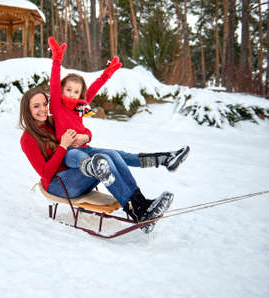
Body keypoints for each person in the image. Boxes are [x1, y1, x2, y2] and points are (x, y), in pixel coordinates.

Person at [20, 88, 177, 233]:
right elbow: (46, 173)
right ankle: (138, 212)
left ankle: (141, 205)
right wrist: (62, 147)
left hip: (75, 171)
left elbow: (81, 128)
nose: (42, 109)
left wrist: (85, 136)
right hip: (59, 185)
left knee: (110, 156)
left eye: (45, 104)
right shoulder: (27, 139)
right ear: (27, 110)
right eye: (36, 106)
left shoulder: (53, 122)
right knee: (101, 162)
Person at [47, 37, 189, 176]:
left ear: (80, 94)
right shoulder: (57, 106)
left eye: (76, 92)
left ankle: (164, 159)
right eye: (69, 89)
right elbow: (54, 83)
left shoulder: (80, 107)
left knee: (118, 155)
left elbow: (95, 88)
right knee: (83, 156)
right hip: (68, 153)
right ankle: (95, 168)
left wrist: (107, 74)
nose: (72, 94)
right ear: (62, 89)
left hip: (86, 149)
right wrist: (57, 61)